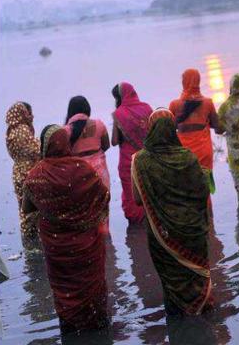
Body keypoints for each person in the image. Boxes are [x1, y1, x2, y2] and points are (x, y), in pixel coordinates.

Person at [22, 125, 111, 333]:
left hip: (57, 247)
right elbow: (104, 196)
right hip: (87, 244)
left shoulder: (36, 175)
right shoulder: (83, 169)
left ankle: (71, 331)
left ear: (44, 146)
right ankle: (99, 329)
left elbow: (27, 208)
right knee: (93, 288)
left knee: (65, 291)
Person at [131, 108, 213, 316]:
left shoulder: (140, 161)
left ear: (150, 130)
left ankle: (179, 318)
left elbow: (138, 199)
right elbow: (202, 192)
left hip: (163, 235)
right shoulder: (188, 158)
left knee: (171, 280)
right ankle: (202, 311)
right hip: (192, 232)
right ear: (173, 130)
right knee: (197, 275)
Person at [169, 69, 221, 194]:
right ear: (198, 81)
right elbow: (219, 129)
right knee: (204, 188)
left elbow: (168, 130)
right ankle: (206, 212)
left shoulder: (175, 105)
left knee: (185, 190)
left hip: (183, 153)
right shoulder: (208, 103)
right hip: (204, 152)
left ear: (184, 82)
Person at [110, 82, 152, 224]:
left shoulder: (118, 114)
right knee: (148, 189)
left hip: (129, 161)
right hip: (148, 157)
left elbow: (114, 141)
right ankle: (152, 220)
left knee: (131, 193)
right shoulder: (147, 108)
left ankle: (136, 224)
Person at [5, 102, 40, 240]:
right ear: (24, 113)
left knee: (23, 208)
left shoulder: (10, 131)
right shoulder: (23, 130)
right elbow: (35, 150)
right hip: (29, 171)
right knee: (34, 208)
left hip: (18, 171)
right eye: (29, 113)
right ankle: (33, 242)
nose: (32, 116)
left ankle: (28, 239)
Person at [64, 96, 111, 190]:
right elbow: (106, 145)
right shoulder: (99, 124)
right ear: (87, 108)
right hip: (99, 171)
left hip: (77, 172)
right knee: (102, 201)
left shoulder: (65, 130)